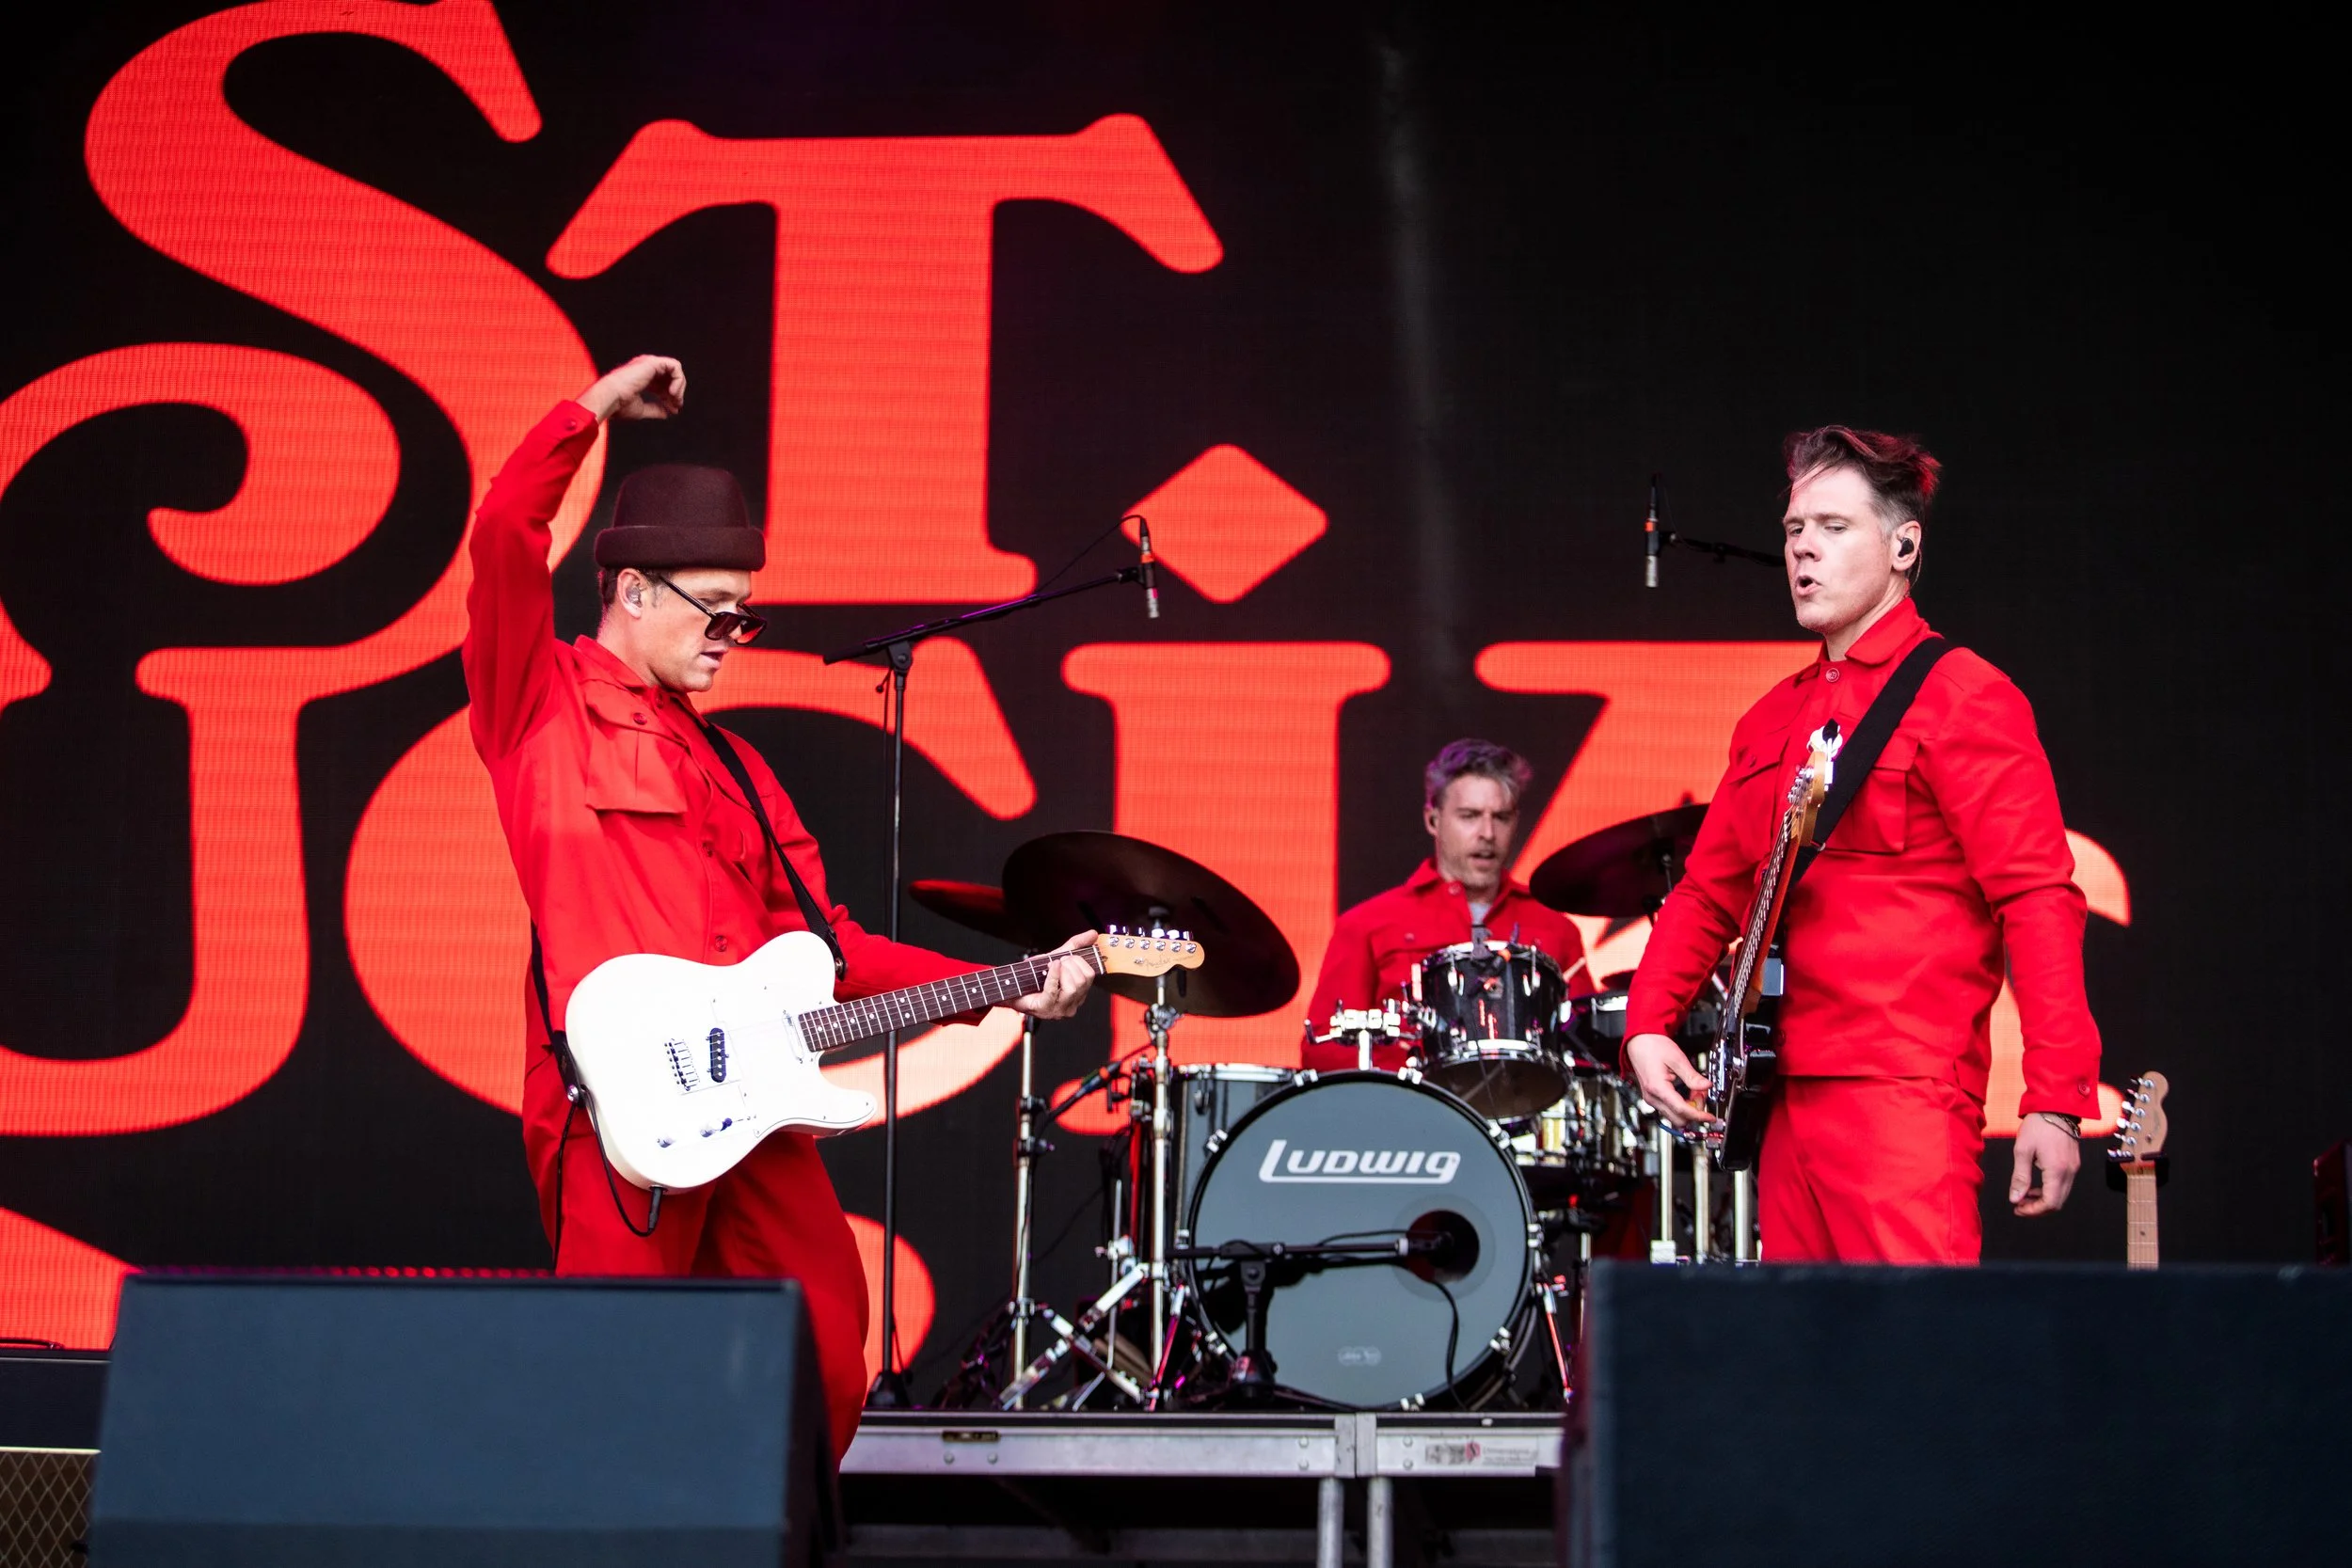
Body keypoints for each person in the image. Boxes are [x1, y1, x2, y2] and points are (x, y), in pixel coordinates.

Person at [462, 354, 1098, 1459]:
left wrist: (1010, 980)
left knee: (826, 1342)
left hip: (749, 1101)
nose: (729, 633)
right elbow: (503, 534)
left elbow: (829, 951)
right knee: (612, 1375)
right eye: (714, 610)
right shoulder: (540, 704)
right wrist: (594, 407)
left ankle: (760, 1526)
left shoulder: (742, 768)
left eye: (743, 616)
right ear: (631, 591)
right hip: (617, 1112)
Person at [1623, 426, 2099, 1262]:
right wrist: (1646, 1023)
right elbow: (1708, 890)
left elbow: (2037, 898)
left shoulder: (1965, 696)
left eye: (1833, 527)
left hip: (1902, 1095)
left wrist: (2055, 1099)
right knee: (1805, 1344)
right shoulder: (1771, 716)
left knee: (1913, 1341)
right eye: (1794, 529)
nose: (1803, 548)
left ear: (1904, 545)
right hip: (1780, 1094)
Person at [1303, 739, 1588, 1072]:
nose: (1487, 833)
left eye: (1501, 817)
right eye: (1469, 816)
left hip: (1530, 1099)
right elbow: (1322, 1048)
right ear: (1433, 820)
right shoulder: (1367, 924)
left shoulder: (1557, 929)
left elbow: (1587, 1050)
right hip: (1408, 1101)